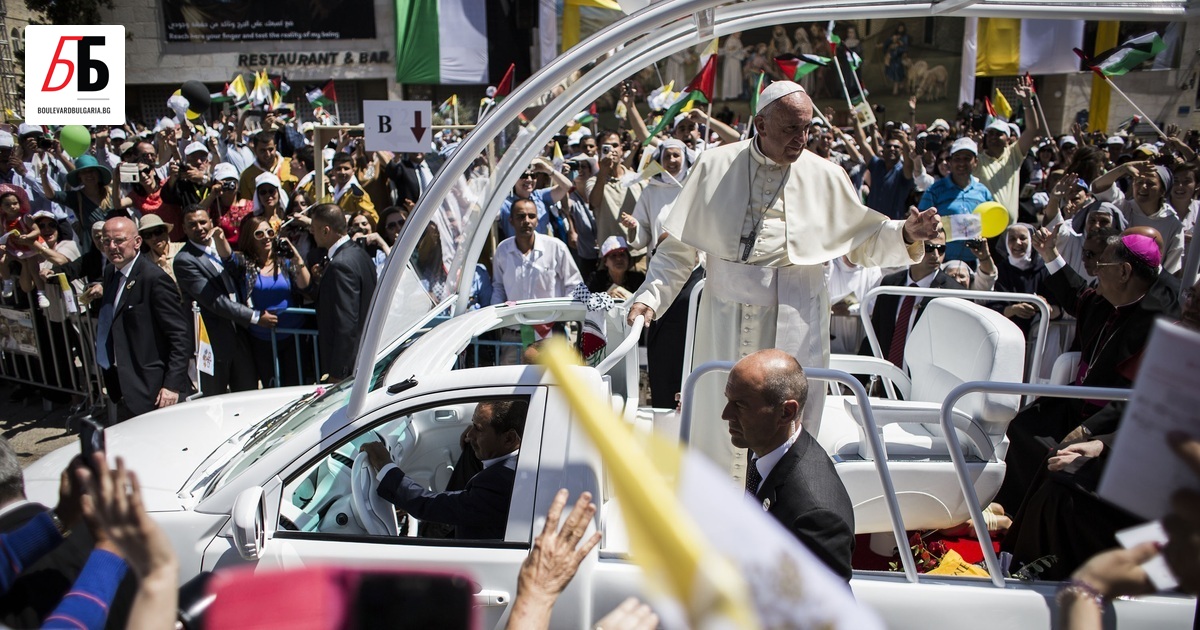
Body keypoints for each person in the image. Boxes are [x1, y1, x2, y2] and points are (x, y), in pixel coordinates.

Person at [628, 81, 938, 476]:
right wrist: (650, 297)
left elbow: (863, 240)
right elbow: (680, 249)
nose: (802, 139)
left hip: (797, 316)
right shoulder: (713, 165)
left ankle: (784, 510)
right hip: (723, 317)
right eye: (791, 128)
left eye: (807, 128)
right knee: (720, 424)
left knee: (786, 427)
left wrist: (907, 234)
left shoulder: (826, 175)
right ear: (760, 123)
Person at [723, 349, 855, 581]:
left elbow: (821, 613)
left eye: (741, 405)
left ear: (786, 412)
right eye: (728, 401)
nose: (726, 414)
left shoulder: (816, 517)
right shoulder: (762, 443)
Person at [360, 399, 528, 540]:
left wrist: (385, 466)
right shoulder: (516, 459)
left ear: (509, 438)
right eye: (472, 425)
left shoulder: (500, 483)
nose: (469, 435)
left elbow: (428, 505)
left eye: (478, 428)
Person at [95, 216, 191, 420]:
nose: (112, 247)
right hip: (125, 385)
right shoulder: (111, 272)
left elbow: (180, 336)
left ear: (137, 242)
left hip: (154, 391)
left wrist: (172, 386)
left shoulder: (154, 279)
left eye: (119, 240)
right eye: (106, 241)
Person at [173, 206, 264, 396]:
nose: (199, 227)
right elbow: (214, 301)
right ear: (184, 228)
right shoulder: (184, 260)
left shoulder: (220, 247)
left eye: (202, 222)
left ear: (211, 223)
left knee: (247, 394)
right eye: (192, 225)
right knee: (215, 402)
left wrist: (225, 248)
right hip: (214, 343)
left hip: (240, 336)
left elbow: (240, 273)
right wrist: (254, 317)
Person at [861, 230, 964, 367]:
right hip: (888, 382)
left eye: (941, 249)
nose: (936, 255)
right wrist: (854, 383)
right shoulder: (890, 284)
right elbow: (874, 335)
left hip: (929, 383)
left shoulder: (955, 294)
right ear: (910, 248)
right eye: (928, 248)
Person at [230, 214, 310, 387]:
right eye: (259, 234)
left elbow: (305, 285)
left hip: (293, 336)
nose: (266, 237)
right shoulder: (245, 264)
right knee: (271, 385)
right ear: (249, 238)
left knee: (295, 385)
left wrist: (296, 257)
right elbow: (227, 256)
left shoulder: (285, 261)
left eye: (269, 232)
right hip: (263, 338)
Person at [309, 203, 377, 382]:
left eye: (314, 228)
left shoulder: (341, 264)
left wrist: (338, 373)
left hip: (349, 369)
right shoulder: (359, 254)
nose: (311, 232)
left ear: (326, 230)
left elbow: (346, 323)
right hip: (363, 358)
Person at [1090, 161, 1186, 273]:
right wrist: (1123, 168)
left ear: (1162, 191)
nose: (1143, 187)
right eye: (1138, 182)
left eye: (1150, 183)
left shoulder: (1172, 223)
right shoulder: (1124, 207)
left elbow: (1172, 266)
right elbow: (1097, 187)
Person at [918, 137, 995, 262]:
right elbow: (921, 222)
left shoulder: (983, 192)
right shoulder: (934, 190)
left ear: (975, 162)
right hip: (944, 261)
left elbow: (991, 223)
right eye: (957, 159)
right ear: (950, 162)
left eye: (967, 158)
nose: (961, 163)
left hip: (974, 262)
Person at [975, 79, 1039, 226]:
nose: (993, 138)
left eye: (998, 134)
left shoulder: (1013, 155)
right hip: (986, 228)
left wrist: (1027, 102)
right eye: (990, 134)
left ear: (1008, 138)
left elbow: (1032, 129)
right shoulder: (978, 160)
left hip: (1010, 230)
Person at [628, 139, 689, 254]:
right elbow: (644, 229)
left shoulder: (693, 186)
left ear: (684, 158)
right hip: (660, 261)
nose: (671, 160)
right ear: (660, 160)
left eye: (676, 155)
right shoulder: (650, 191)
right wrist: (634, 227)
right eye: (667, 156)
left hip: (691, 260)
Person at [237, 130, 296, 201]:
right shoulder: (247, 176)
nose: (267, 154)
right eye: (262, 150)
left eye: (270, 149)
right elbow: (247, 205)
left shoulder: (291, 165)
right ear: (255, 150)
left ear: (275, 147)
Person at [323, 152, 376, 221]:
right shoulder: (333, 190)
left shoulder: (357, 194)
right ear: (332, 171)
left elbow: (373, 218)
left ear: (353, 170)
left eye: (346, 168)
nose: (343, 172)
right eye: (338, 169)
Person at [137, 213, 182, 282]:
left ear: (166, 232)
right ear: (143, 240)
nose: (154, 238)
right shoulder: (145, 262)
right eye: (147, 235)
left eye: (158, 232)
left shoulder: (182, 249)